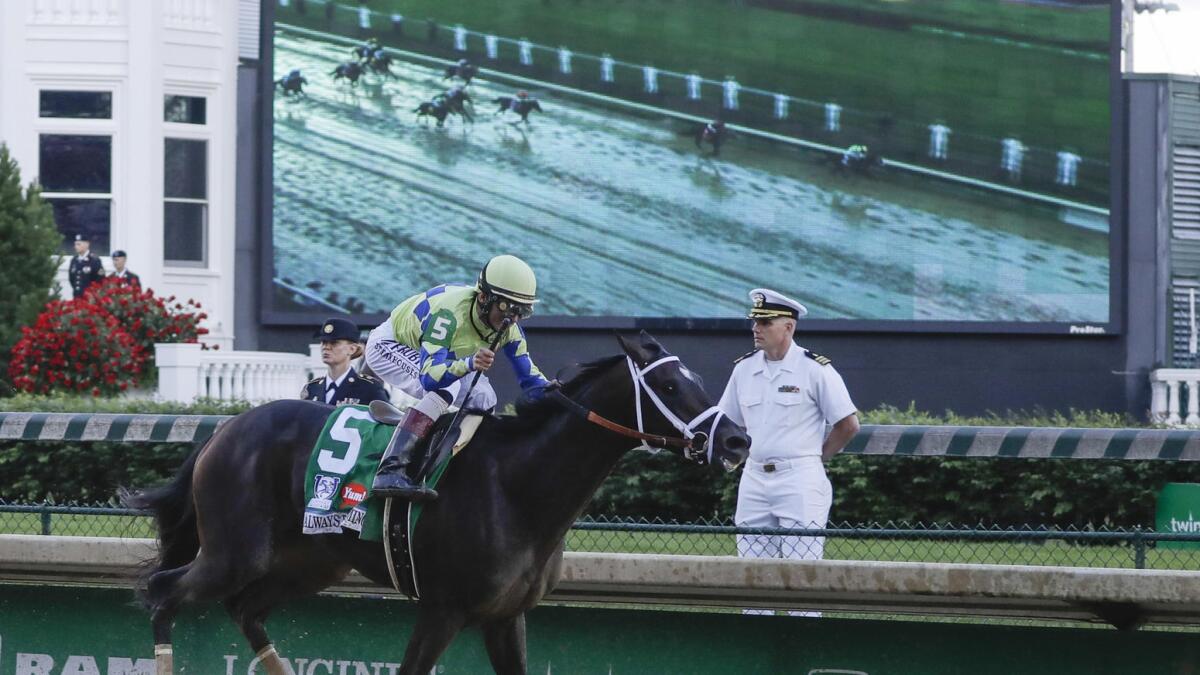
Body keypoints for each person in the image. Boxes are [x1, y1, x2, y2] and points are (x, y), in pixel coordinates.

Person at [364, 255, 551, 501]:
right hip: (389, 345)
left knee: (485, 397)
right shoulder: (448, 315)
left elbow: (530, 379)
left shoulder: (510, 328)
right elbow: (430, 377)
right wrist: (470, 363)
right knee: (445, 389)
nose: (513, 319)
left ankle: (456, 466)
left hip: (444, 355)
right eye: (507, 308)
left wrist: (558, 393)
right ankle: (390, 470)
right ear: (484, 298)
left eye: (522, 311)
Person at [719, 288, 860, 614]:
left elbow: (848, 424)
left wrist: (816, 459)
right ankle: (757, 657)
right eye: (755, 322)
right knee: (752, 580)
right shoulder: (744, 369)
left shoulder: (814, 369)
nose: (756, 329)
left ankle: (803, 657)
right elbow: (729, 422)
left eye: (766, 322)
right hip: (754, 477)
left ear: (789, 327)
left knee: (803, 578)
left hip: (800, 480)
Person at [302, 317, 388, 406]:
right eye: (324, 342)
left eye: (334, 343)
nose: (326, 347)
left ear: (352, 349)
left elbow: (387, 417)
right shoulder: (312, 388)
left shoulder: (369, 387)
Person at [68, 234, 105, 299]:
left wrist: (92, 294)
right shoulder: (74, 260)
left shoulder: (95, 260)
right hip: (77, 297)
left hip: (90, 299)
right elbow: (71, 279)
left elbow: (100, 279)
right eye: (75, 244)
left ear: (87, 244)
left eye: (79, 244)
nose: (76, 247)